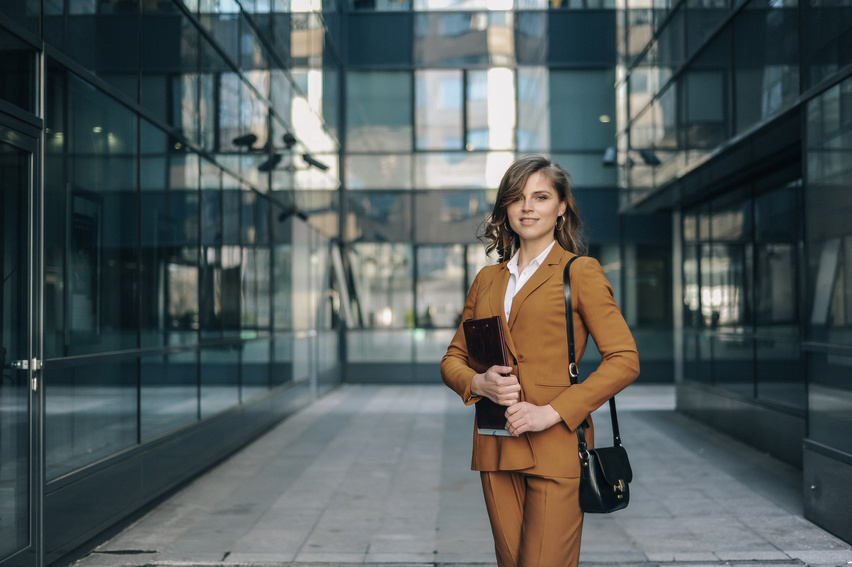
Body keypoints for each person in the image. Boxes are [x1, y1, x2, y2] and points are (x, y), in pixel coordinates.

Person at [440, 155, 640, 567]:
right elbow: (454, 358)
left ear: (562, 206)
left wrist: (553, 412)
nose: (528, 207)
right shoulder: (487, 279)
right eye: (517, 198)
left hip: (557, 445)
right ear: (505, 209)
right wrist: (478, 384)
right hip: (495, 446)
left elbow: (624, 360)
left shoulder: (579, 272)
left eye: (541, 196)